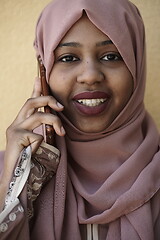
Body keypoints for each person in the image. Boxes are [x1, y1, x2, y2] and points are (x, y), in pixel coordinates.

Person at [0, 0, 160, 239]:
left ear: (136, 64)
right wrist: (12, 183)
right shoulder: (8, 173)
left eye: (111, 56)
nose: (90, 76)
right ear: (43, 71)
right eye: (68, 58)